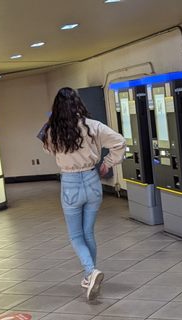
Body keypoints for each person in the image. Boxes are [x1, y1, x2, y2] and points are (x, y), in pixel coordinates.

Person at [40, 87, 126, 301]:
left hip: (70, 182)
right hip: (92, 180)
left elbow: (48, 150)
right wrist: (107, 163)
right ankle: (89, 277)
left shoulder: (53, 130)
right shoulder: (93, 126)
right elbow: (119, 142)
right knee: (88, 233)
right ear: (78, 103)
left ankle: (90, 271)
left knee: (76, 235)